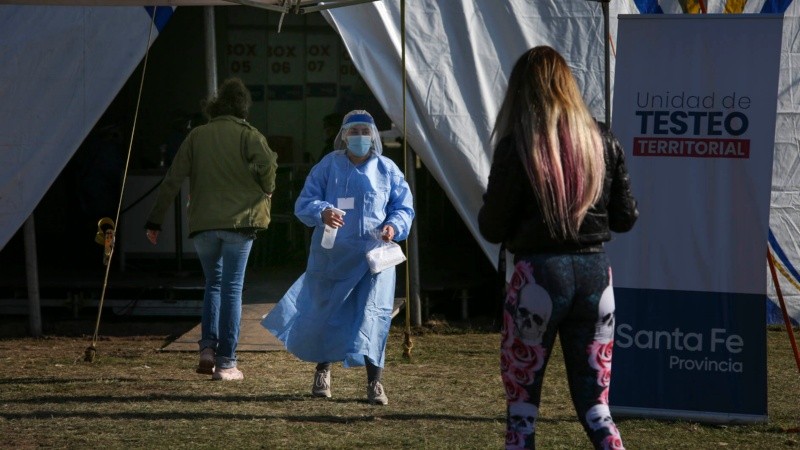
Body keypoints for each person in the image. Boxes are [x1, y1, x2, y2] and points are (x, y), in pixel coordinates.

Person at [478, 46, 638, 450]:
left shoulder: (516, 146)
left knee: (523, 407)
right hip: (595, 277)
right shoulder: (601, 139)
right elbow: (625, 218)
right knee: (596, 404)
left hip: (538, 275)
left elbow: (492, 226)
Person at [262, 109, 414, 405]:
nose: (359, 137)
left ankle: (375, 383)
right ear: (343, 136)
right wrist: (323, 211)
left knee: (374, 316)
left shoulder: (387, 169)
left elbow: (403, 206)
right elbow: (305, 202)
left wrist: (393, 225)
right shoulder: (329, 166)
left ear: (374, 136)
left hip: (374, 260)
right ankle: (323, 371)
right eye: (353, 131)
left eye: (364, 131)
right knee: (326, 313)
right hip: (334, 257)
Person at [145, 77, 278, 381]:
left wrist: (155, 220)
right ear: (243, 107)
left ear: (215, 107)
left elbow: (172, 179)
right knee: (232, 288)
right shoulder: (250, 135)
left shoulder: (197, 136)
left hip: (203, 225)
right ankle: (227, 362)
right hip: (239, 223)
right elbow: (268, 166)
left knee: (213, 285)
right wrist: (266, 189)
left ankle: (206, 348)